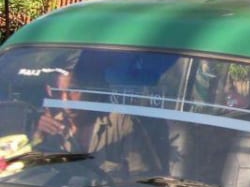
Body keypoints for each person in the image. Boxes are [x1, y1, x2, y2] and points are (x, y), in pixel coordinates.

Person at [33, 68, 163, 179]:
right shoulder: (49, 127)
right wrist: (38, 136)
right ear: (49, 91)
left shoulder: (121, 123)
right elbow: (28, 173)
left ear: (90, 88)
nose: (65, 100)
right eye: (58, 92)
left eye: (73, 90)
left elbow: (144, 180)